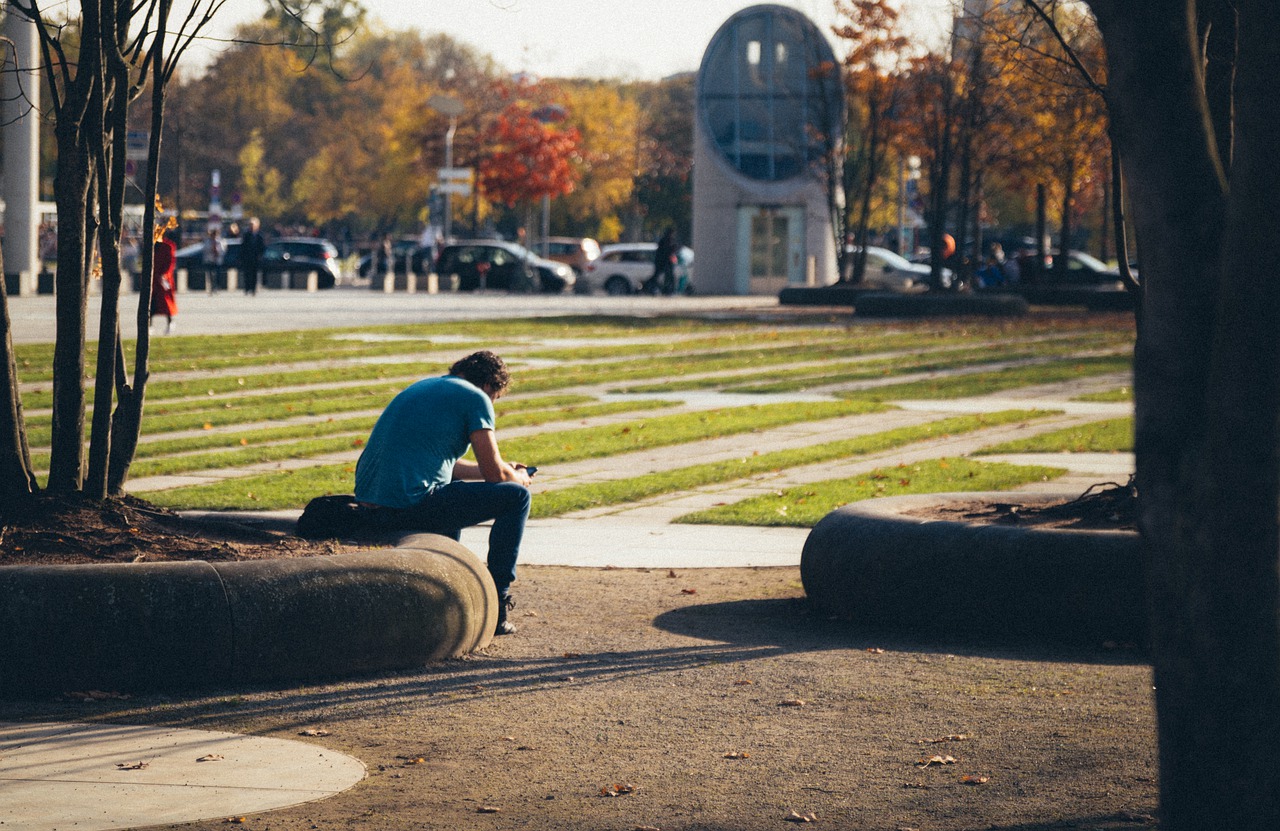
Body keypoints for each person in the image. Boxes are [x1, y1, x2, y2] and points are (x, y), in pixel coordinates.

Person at [354, 351, 533, 636]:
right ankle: (498, 603)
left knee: (452, 497)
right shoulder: (476, 398)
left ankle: (445, 597)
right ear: (489, 386)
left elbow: (445, 465)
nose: (493, 404)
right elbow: (495, 476)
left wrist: (503, 468)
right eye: (496, 398)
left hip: (371, 505)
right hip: (408, 505)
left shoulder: (422, 387)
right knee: (516, 497)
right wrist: (518, 478)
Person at [150, 234, 178, 334]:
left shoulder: (168, 246)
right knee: (152, 304)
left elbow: (170, 263)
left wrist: (164, 275)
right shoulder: (151, 246)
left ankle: (170, 323)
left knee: (166, 303)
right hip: (154, 279)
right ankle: (150, 325)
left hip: (162, 279)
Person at [647, 227, 678, 295]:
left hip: (665, 262)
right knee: (660, 276)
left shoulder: (668, 240)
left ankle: (667, 290)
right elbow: (666, 251)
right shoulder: (665, 240)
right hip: (662, 262)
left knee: (668, 277)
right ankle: (651, 288)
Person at [240, 217, 266, 295]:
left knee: (254, 274)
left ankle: (253, 289)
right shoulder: (246, 235)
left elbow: (262, 247)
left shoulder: (260, 236)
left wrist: (260, 255)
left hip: (256, 258)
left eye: (253, 225)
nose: (251, 227)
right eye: (250, 225)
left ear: (257, 226)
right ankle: (247, 288)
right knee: (247, 274)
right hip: (247, 258)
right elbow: (243, 247)